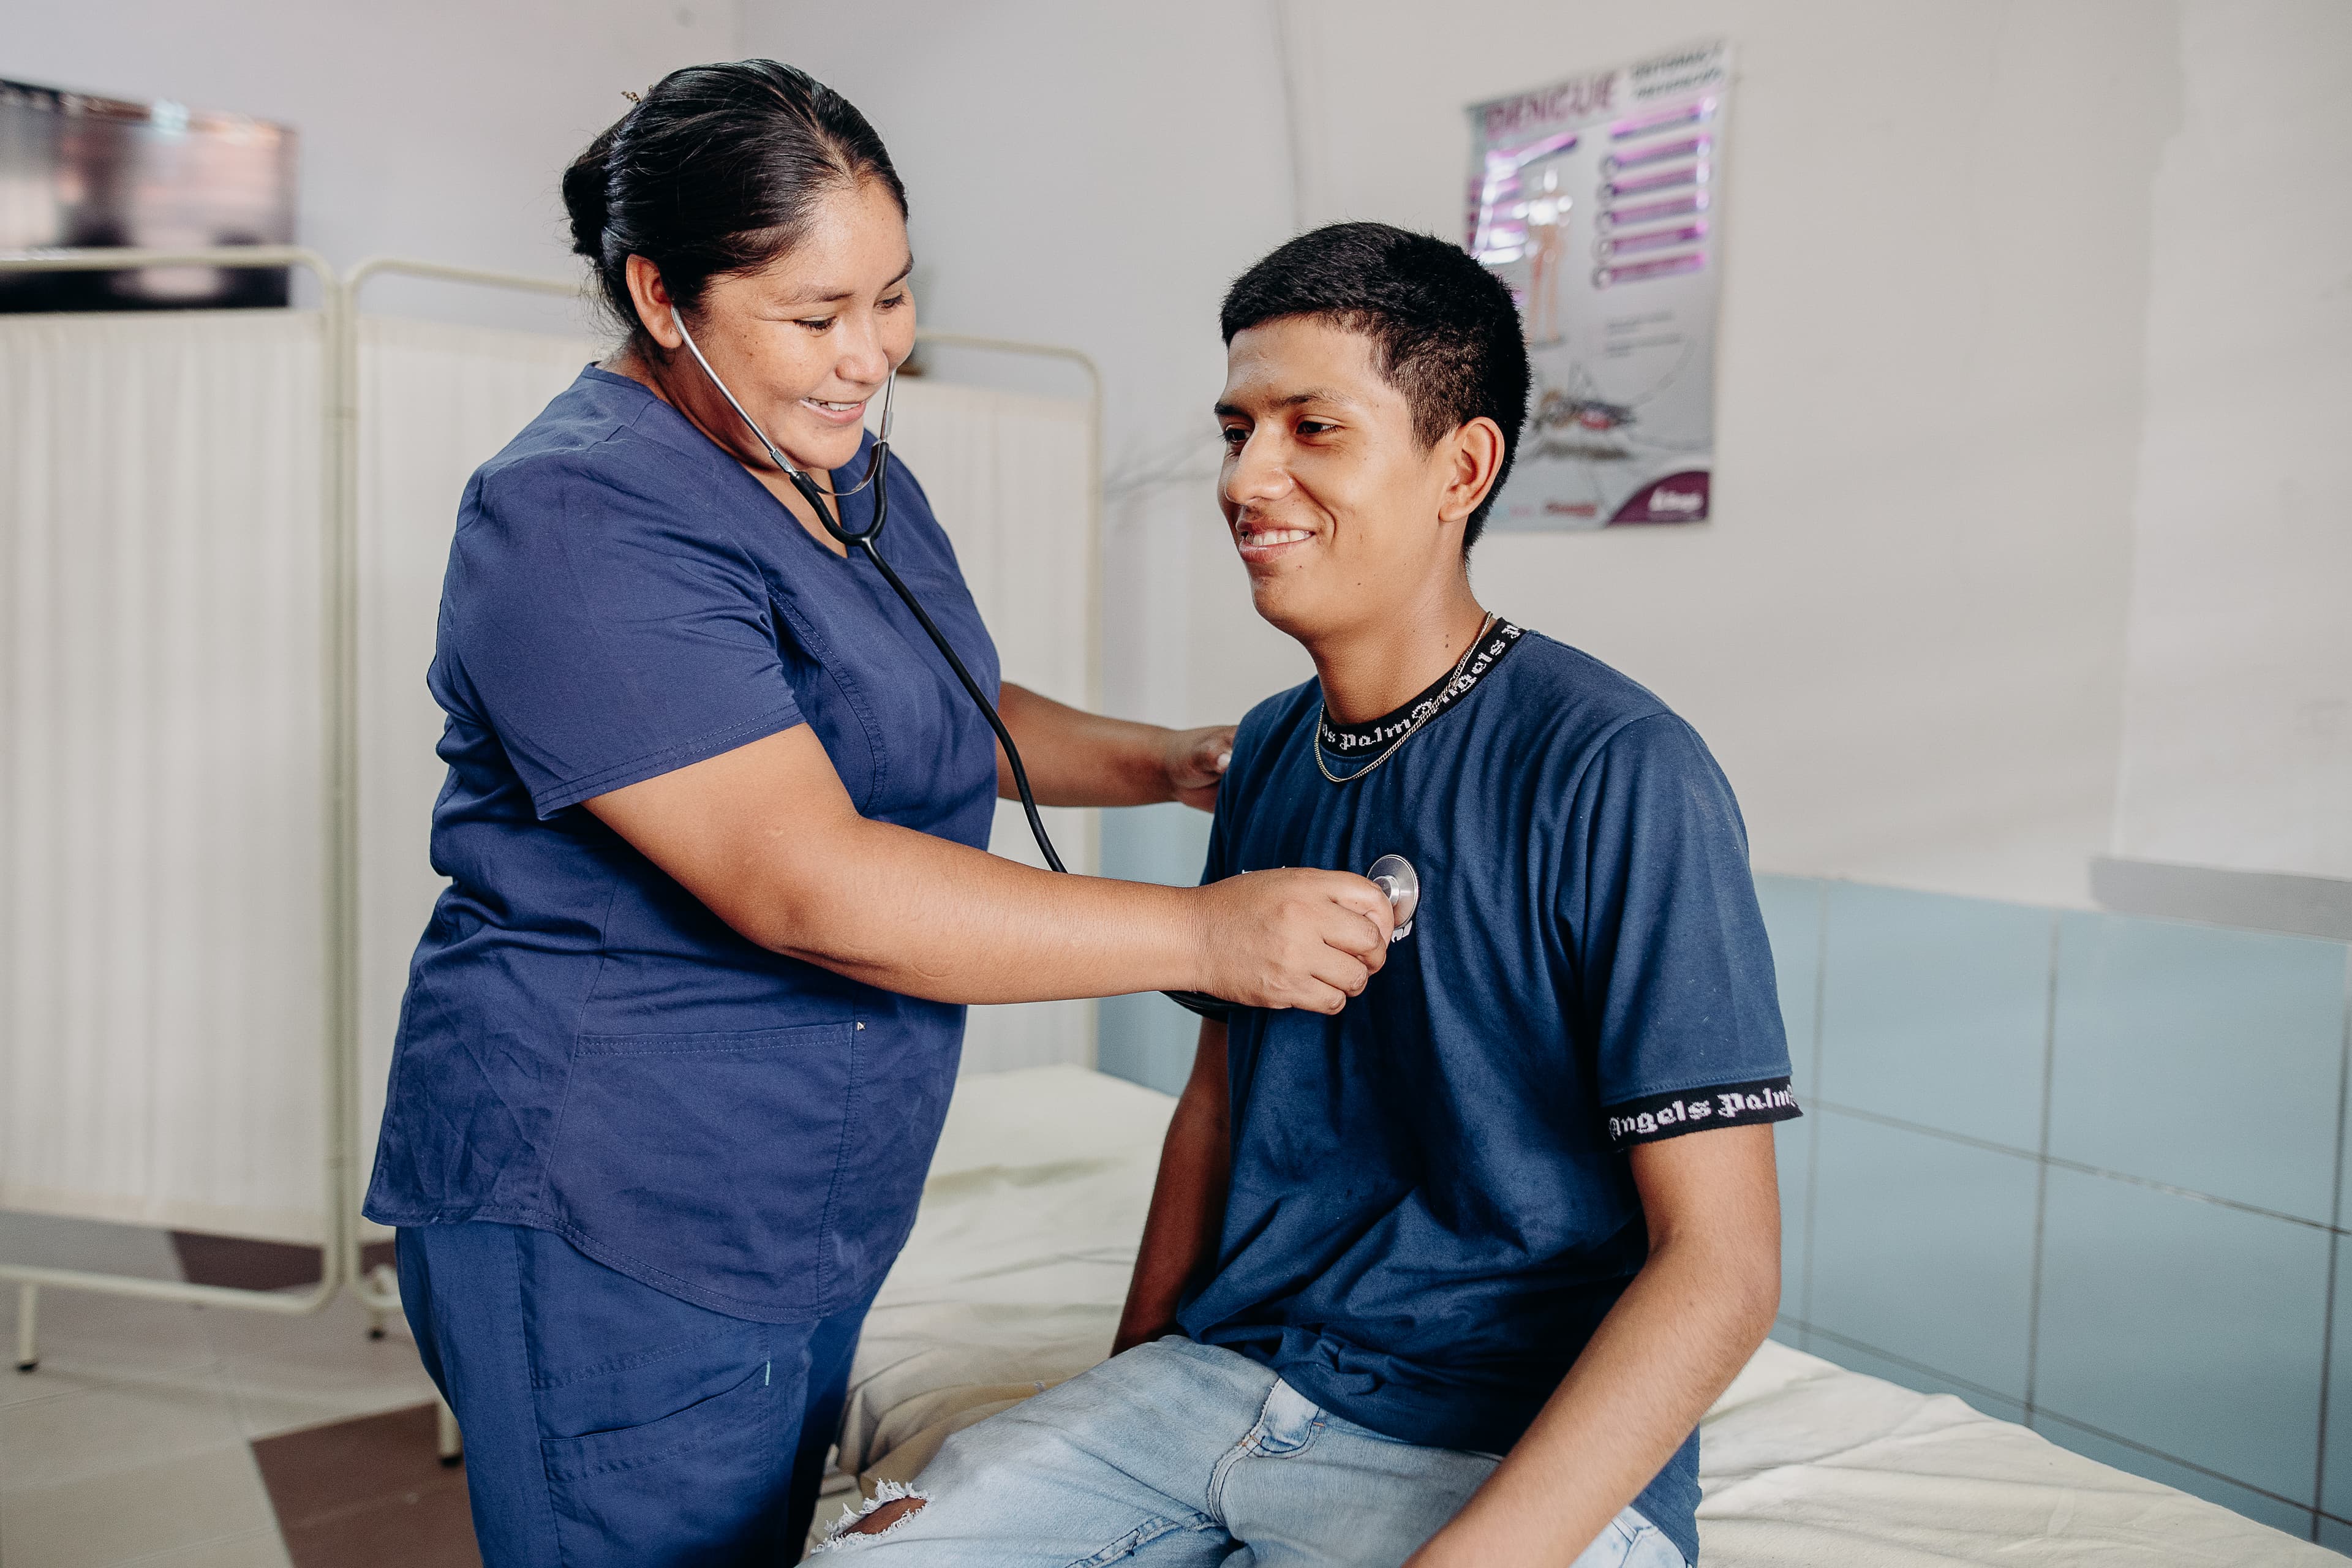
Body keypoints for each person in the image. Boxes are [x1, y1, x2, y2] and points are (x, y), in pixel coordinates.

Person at [362, 64, 1398, 1568]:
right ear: (660, 295)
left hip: (805, 1189)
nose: (870, 356)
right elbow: (809, 881)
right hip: (611, 1201)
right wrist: (1205, 933)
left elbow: (936, 711)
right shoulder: (576, 520)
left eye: (894, 298)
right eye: (815, 314)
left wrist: (1168, 761)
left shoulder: (840, 470)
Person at [820, 223, 1795, 1567]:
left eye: (1310, 428)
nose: (1245, 475)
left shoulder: (1616, 771)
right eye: (1235, 427)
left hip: (1488, 1436)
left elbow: (1726, 1266)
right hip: (1223, 1382)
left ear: (1463, 466)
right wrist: (1127, 1385)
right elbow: (1218, 1106)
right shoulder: (1273, 748)